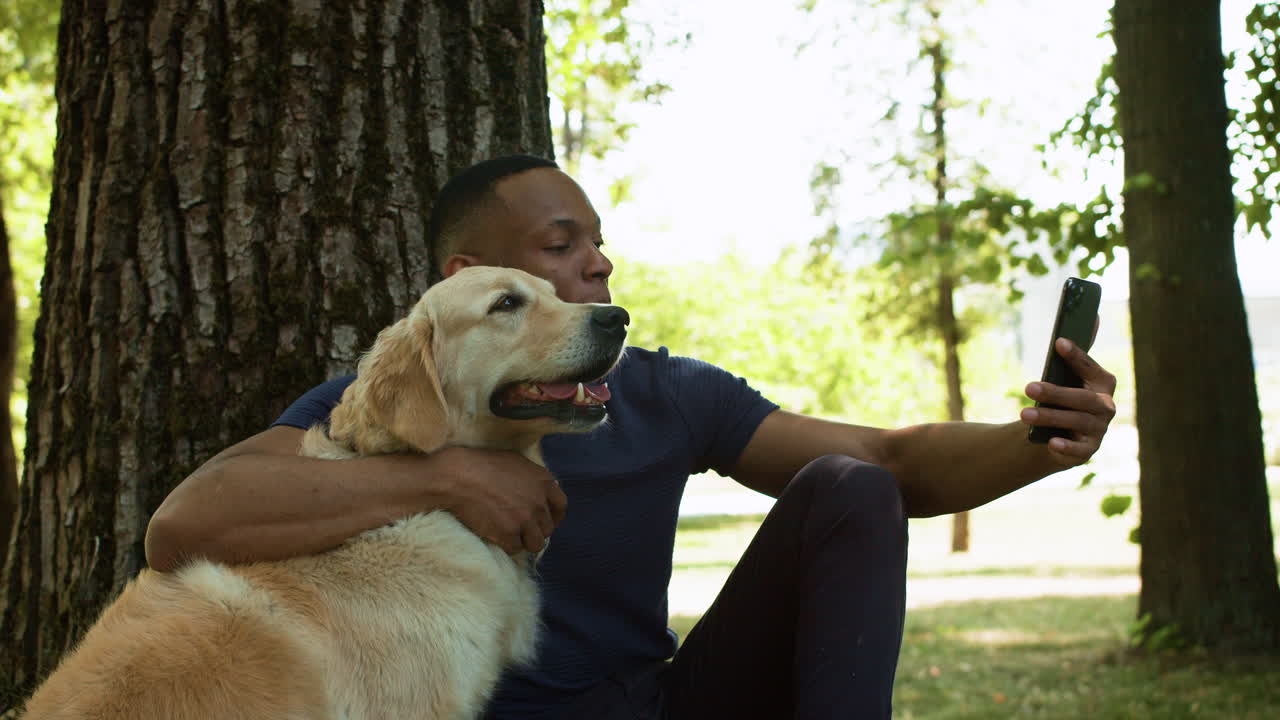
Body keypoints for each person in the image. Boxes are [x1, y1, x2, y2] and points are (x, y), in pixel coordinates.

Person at [145, 154, 1118, 719]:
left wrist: (1035, 439)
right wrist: (444, 478)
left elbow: (889, 465)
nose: (598, 263)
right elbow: (186, 524)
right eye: (559, 245)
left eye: (597, 242)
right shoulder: (389, 403)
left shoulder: (660, 393)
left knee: (846, 487)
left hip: (654, 703)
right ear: (470, 278)